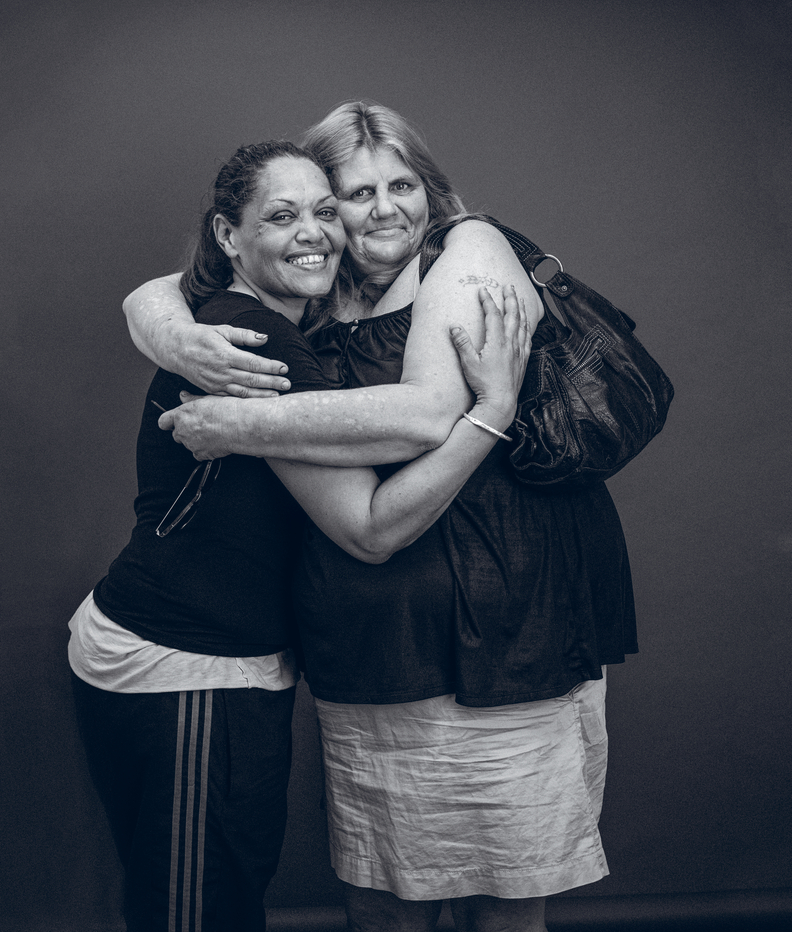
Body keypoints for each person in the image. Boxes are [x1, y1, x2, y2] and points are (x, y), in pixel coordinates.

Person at [123, 103, 637, 932]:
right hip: (368, 636)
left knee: (505, 893)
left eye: (403, 184)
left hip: (503, 635)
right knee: (383, 891)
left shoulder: (469, 248)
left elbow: (429, 412)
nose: (385, 207)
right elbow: (174, 285)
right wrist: (165, 330)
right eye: (352, 194)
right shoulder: (319, 289)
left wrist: (241, 424)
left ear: (431, 190)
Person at [70, 138, 532, 932]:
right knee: (197, 911)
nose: (314, 232)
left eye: (325, 211)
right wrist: (491, 410)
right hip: (188, 666)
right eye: (281, 217)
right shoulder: (259, 342)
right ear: (227, 236)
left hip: (204, 659)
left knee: (210, 892)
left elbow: (160, 297)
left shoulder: (257, 324)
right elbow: (371, 529)